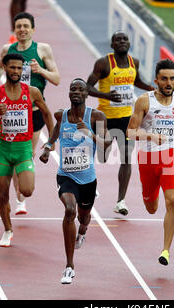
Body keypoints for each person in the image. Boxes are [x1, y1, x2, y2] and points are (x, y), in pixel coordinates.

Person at [127, 59, 174, 266]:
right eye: (164, 79)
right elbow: (130, 132)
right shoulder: (144, 101)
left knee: (172, 200)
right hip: (148, 159)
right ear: (156, 80)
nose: (169, 83)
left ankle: (166, 250)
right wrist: (150, 136)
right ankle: (150, 194)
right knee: (151, 207)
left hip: (169, 156)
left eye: (172, 79)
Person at [39, 79, 112, 284]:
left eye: (81, 89)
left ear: (87, 94)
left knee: (84, 217)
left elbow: (108, 143)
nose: (76, 92)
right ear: (69, 93)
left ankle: (83, 230)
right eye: (73, 89)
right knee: (70, 210)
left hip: (88, 179)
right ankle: (69, 266)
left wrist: (90, 134)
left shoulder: (96, 116)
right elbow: (55, 133)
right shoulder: (62, 115)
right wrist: (47, 147)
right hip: (66, 175)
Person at [0, 12, 60, 215]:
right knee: (14, 154)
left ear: (33, 29)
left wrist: (40, 70)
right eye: (18, 26)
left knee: (27, 153)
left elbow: (56, 79)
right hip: (12, 111)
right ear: (14, 30)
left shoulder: (43, 49)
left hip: (35, 111)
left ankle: (23, 188)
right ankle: (20, 198)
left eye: (25, 26)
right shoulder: (8, 49)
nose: (22, 29)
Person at [0, 53, 54, 247]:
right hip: (4, 149)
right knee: (2, 195)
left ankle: (21, 172)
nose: (15, 71)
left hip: (23, 148)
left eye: (18, 68)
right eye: (12, 68)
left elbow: (48, 114)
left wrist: (51, 141)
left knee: (27, 190)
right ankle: (7, 230)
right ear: (5, 68)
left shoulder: (32, 92)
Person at [86, 31, 154, 216]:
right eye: (118, 40)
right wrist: (105, 95)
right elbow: (87, 87)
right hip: (105, 118)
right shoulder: (103, 63)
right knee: (101, 156)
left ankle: (120, 201)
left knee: (126, 157)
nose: (122, 42)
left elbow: (137, 81)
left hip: (126, 118)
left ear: (129, 43)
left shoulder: (134, 63)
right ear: (112, 45)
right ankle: (89, 185)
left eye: (125, 39)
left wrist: (152, 89)